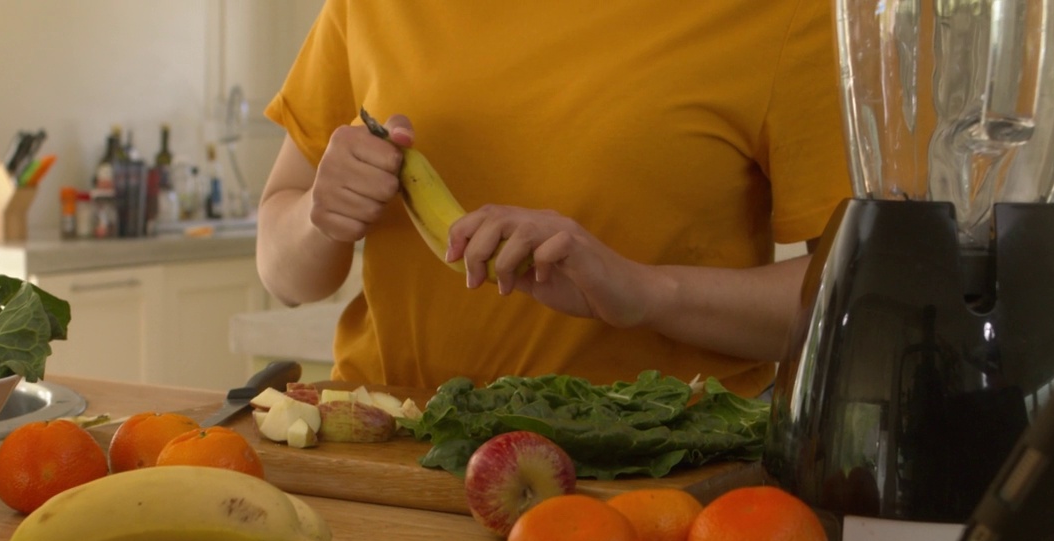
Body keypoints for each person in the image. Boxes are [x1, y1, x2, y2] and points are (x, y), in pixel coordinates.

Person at [256, 0, 851, 398]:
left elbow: (866, 303)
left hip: (651, 478)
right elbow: (282, 273)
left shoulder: (788, 14)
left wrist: (647, 292)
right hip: (390, 454)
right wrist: (319, 219)